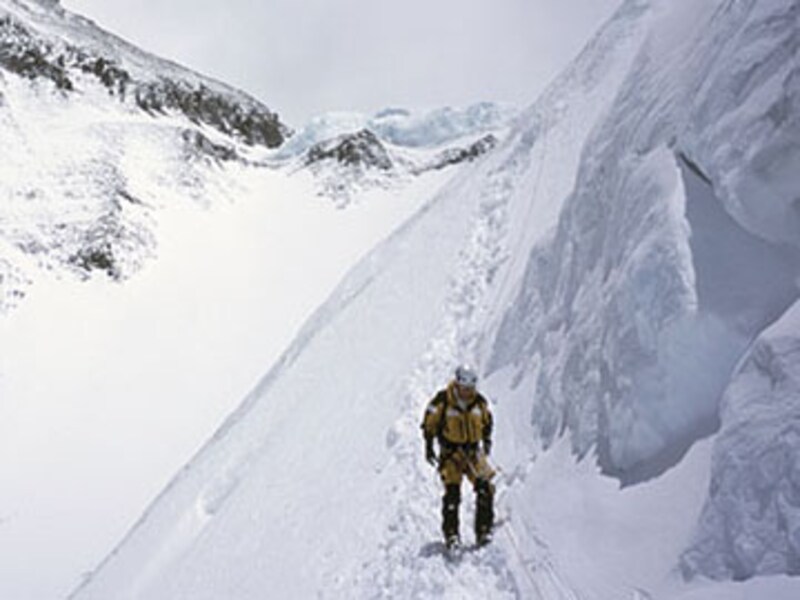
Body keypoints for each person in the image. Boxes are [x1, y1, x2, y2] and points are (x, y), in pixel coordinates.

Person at [421, 364, 495, 549]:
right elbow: (429, 422)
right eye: (464, 388)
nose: (467, 392)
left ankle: (484, 529)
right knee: (452, 494)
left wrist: (486, 440)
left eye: (470, 388)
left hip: (473, 452)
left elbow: (487, 421)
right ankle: (452, 534)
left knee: (485, 487)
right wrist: (429, 446)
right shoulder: (443, 400)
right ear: (458, 384)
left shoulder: (479, 403)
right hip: (451, 454)